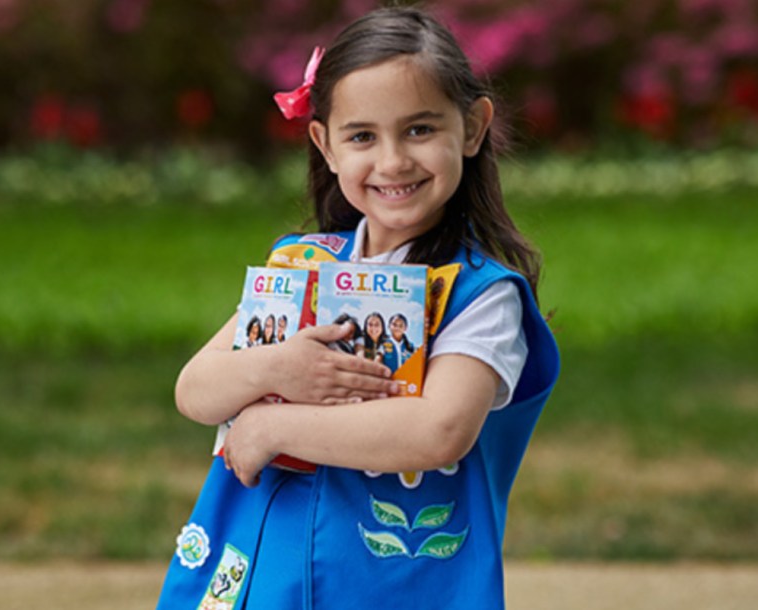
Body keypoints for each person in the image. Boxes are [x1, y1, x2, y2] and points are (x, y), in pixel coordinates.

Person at [157, 7, 559, 609]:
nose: (393, 161)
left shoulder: (481, 293)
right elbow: (194, 389)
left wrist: (272, 426)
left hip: (396, 584)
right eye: (362, 136)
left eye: (420, 130)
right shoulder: (300, 267)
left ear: (472, 128)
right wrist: (272, 369)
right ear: (326, 144)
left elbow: (438, 430)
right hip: (269, 577)